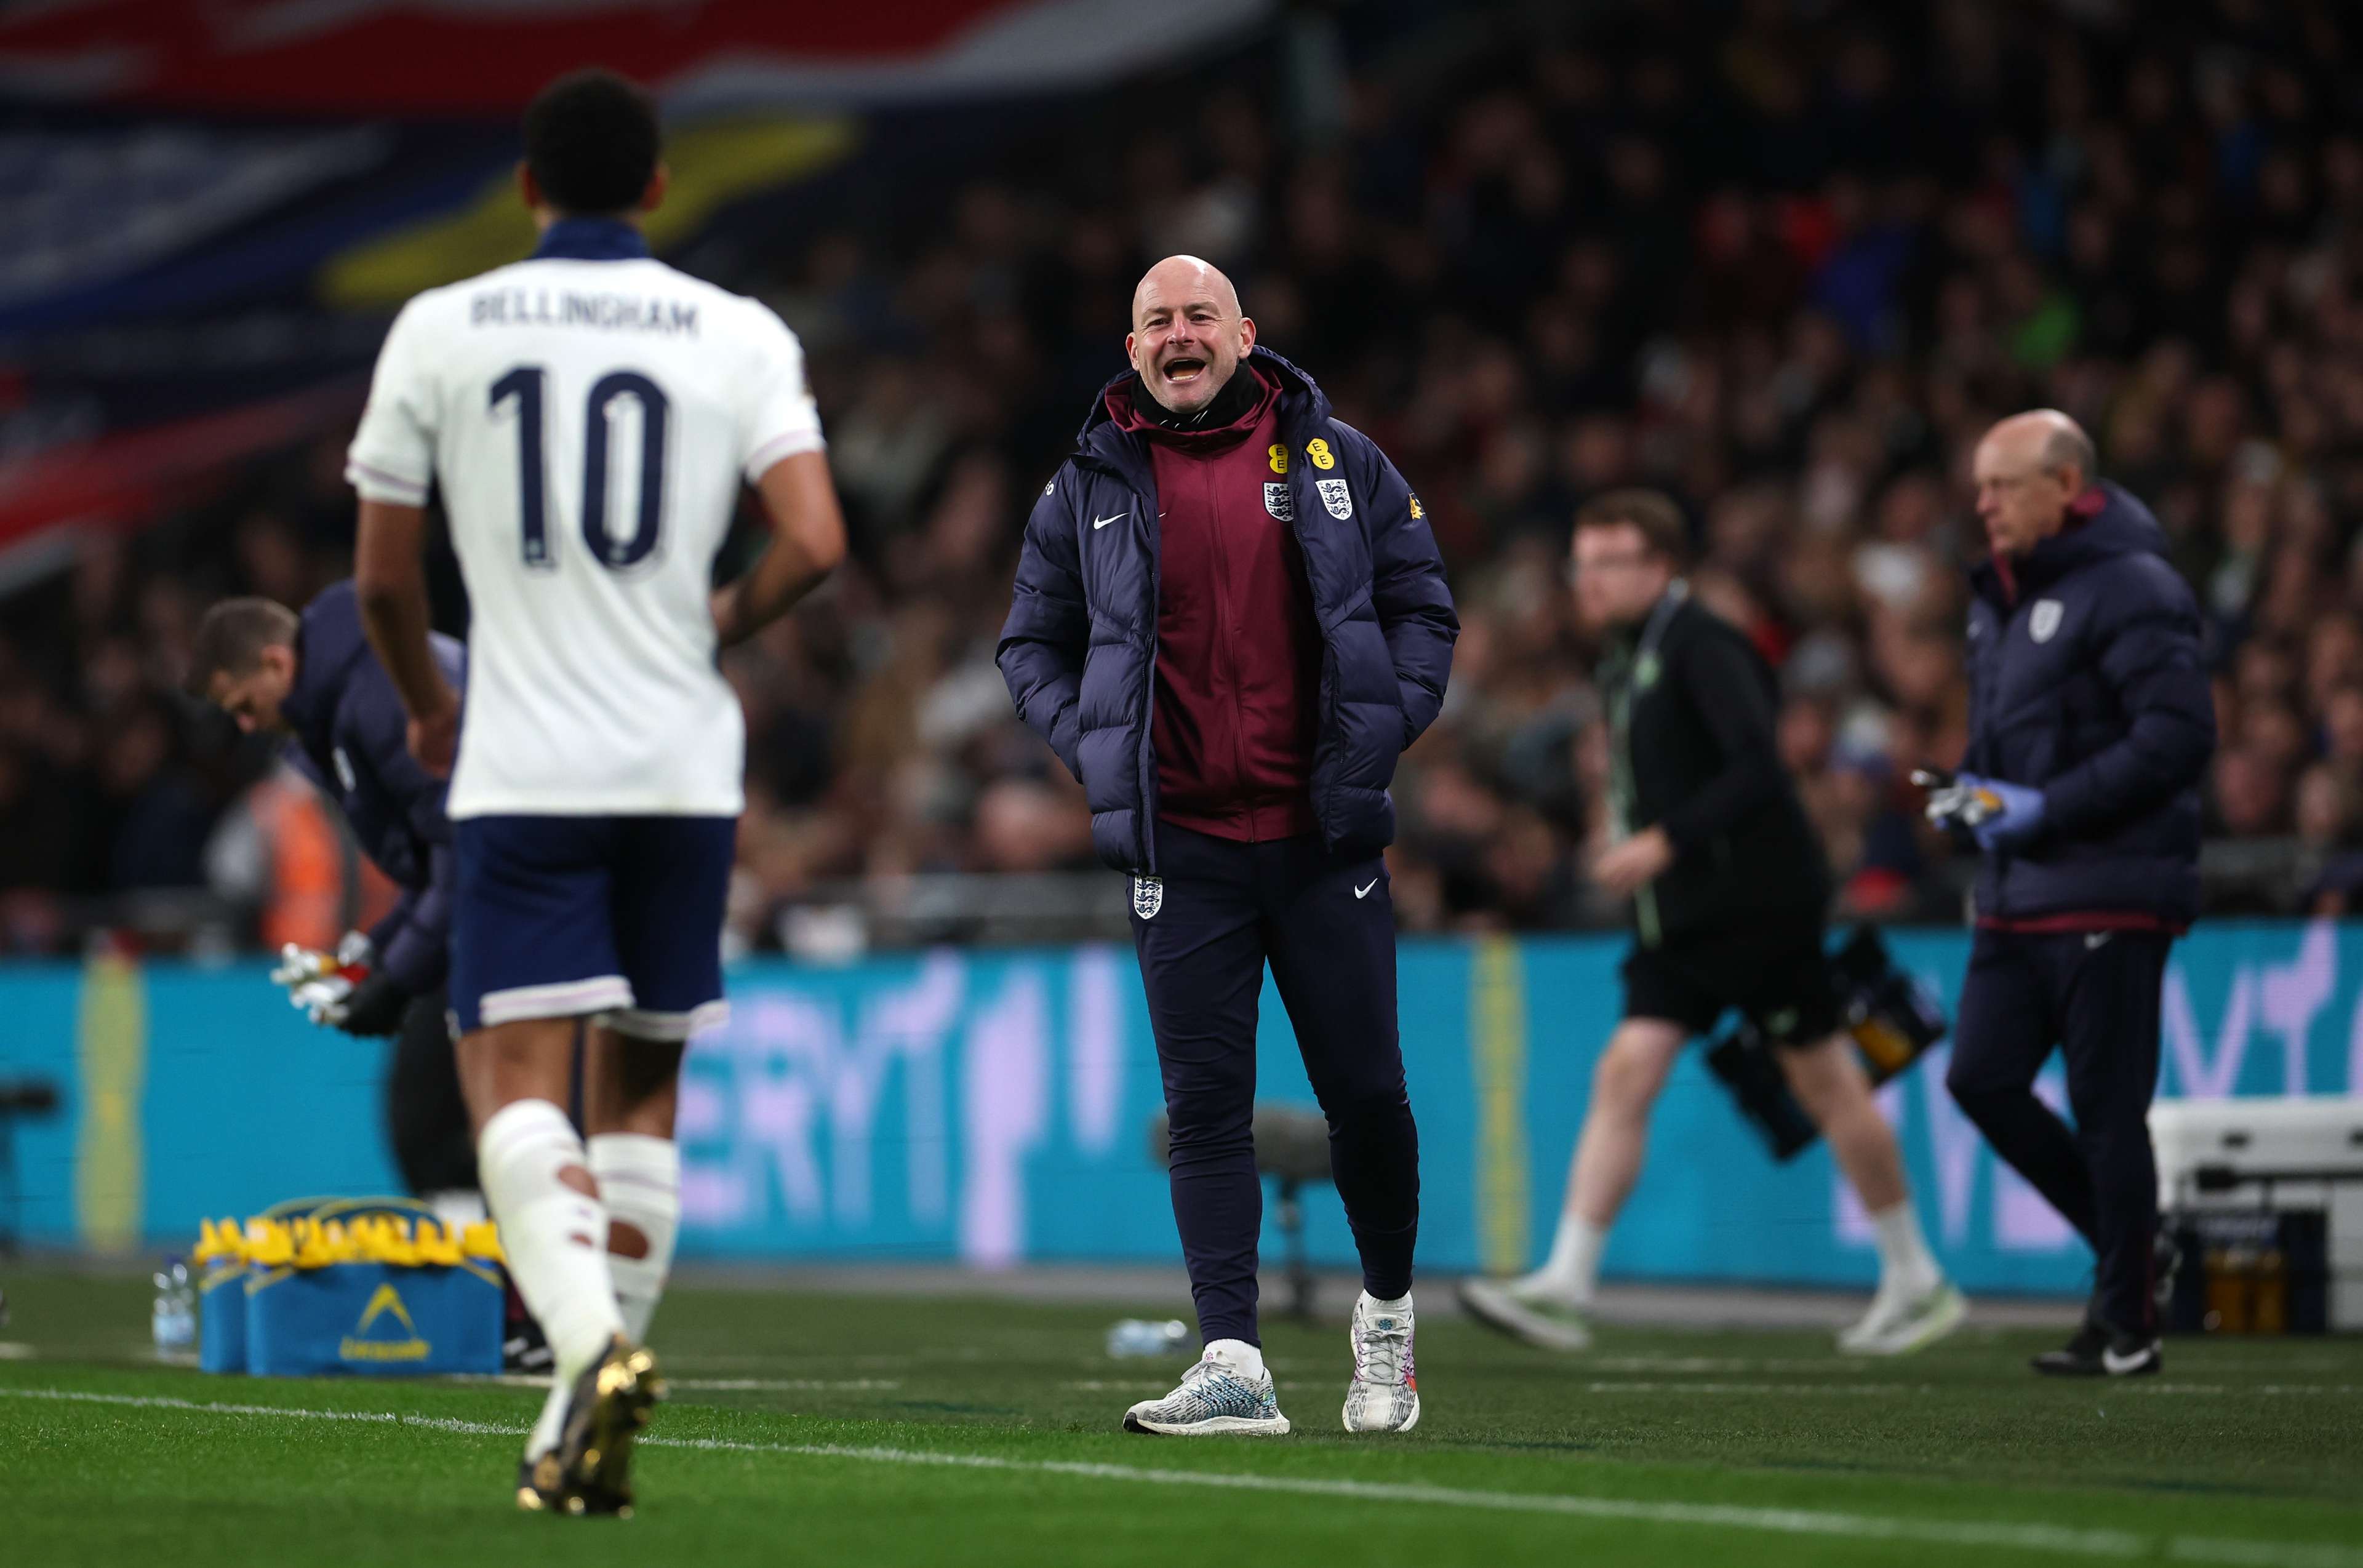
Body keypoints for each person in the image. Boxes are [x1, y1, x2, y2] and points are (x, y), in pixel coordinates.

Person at [346, 69, 847, 1512]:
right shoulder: (738, 332)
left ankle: (580, 1353)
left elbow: (384, 576)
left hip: (526, 756)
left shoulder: (442, 327)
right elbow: (813, 541)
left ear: (524, 188)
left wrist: (434, 710)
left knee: (508, 1077)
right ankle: (588, 1398)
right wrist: (718, 623)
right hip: (681, 762)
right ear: (657, 187)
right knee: (642, 1083)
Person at [999, 255, 1455, 1436]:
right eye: (1159, 320)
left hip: (1320, 834)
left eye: (1201, 315)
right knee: (1206, 1108)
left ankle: (1390, 1321)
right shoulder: (1091, 481)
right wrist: (1099, 747)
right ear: (1134, 344)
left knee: (1368, 1094)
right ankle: (1234, 1360)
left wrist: (1379, 728)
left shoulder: (1335, 459)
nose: (1181, 335)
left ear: (1246, 332)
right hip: (1183, 844)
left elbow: (1423, 605)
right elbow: (1027, 643)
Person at [1460, 490, 1965, 1356]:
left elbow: (1759, 768)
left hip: (1754, 908)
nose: (1590, 579)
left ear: (1661, 567)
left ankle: (1915, 1277)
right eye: (1584, 562)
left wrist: (1663, 840)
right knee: (1631, 1071)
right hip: (1684, 917)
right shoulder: (1627, 659)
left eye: (1610, 561)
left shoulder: (1702, 644)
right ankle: (1566, 1284)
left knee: (1824, 1082)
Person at [1938, 411, 2213, 1378]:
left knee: (2106, 1109)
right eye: (1980, 487)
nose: (1984, 505)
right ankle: (2133, 1250)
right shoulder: (1999, 599)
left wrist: (2044, 806)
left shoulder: (2135, 586)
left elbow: (2177, 736)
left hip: (2110, 887)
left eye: (2002, 485)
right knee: (1980, 1077)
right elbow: (2008, 741)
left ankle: (2127, 1326)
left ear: (2065, 483)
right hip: (2018, 889)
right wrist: (1969, 792)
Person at [186, 587, 479, 1219]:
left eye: (244, 705)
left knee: (436, 1124)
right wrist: (369, 959)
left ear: (275, 663)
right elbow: (441, 866)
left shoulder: (376, 701)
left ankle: (508, 1296)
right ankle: (507, 1296)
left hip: (522, 904)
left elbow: (466, 853)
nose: (245, 724)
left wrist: (396, 978)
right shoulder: (353, 699)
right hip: (504, 902)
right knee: (445, 1125)